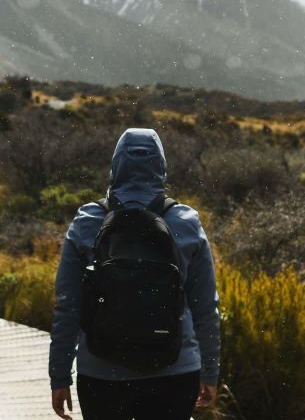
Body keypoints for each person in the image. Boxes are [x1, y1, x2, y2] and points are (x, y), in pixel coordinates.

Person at [49, 128, 220, 419]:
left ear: (115, 166)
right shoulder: (186, 222)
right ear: (161, 167)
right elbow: (206, 307)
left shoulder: (88, 221)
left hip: (101, 374)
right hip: (175, 370)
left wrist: (60, 375)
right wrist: (210, 371)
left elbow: (68, 305)